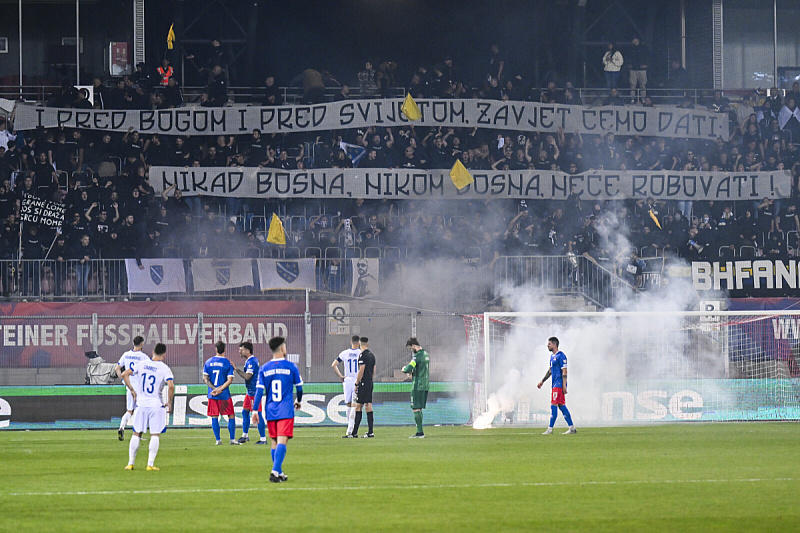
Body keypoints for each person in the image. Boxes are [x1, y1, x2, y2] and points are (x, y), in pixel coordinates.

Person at [251, 336, 303, 483]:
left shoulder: (264, 368)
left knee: (274, 441)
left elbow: (259, 392)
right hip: (285, 409)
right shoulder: (291, 367)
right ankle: (274, 471)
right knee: (282, 440)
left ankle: (279, 472)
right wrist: (298, 400)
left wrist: (255, 411)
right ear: (282, 348)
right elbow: (299, 388)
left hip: (270, 410)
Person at [122, 342, 174, 471]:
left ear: (153, 352)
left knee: (136, 433)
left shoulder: (142, 364)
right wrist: (169, 402)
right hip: (156, 404)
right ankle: (150, 464)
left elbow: (124, 374)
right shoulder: (164, 368)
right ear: (164, 354)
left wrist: (132, 390)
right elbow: (171, 385)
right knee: (155, 435)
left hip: (141, 404)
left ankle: (130, 463)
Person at [537, 336, 576, 435]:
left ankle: (550, 429)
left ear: (554, 345)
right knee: (561, 406)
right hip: (554, 384)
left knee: (554, 405)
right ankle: (572, 428)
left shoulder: (561, 356)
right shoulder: (552, 357)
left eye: (549, 344)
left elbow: (565, 370)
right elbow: (550, 370)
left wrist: (564, 385)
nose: (547, 346)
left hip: (558, 385)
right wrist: (542, 381)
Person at [202, 340, 238, 445]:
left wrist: (214, 389)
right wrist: (220, 389)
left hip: (212, 395)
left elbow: (206, 379)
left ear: (216, 349)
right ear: (225, 350)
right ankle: (232, 439)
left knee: (214, 416)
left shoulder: (208, 362)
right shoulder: (228, 363)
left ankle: (218, 440)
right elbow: (230, 380)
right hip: (224, 395)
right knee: (231, 415)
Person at [114, 335, 150, 441]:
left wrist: (123, 380)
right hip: (139, 387)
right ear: (142, 344)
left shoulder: (126, 355)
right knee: (141, 411)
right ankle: (138, 435)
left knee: (129, 411)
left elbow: (117, 368)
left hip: (129, 386)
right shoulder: (143, 357)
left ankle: (121, 427)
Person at [235, 341, 266, 444]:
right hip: (250, 392)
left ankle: (263, 439)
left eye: (241, 349)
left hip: (254, 392)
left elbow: (248, 376)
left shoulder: (252, 361)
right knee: (245, 412)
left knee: (258, 414)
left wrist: (236, 369)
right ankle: (245, 435)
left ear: (247, 351)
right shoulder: (250, 360)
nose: (239, 351)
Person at [332, 335, 362, 437]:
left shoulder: (344, 353)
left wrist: (341, 376)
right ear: (358, 343)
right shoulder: (360, 353)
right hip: (356, 380)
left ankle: (349, 427)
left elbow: (333, 365)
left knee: (348, 405)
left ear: (351, 342)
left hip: (347, 380)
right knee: (354, 404)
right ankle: (350, 429)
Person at [402, 337, 430, 438]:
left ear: (414, 346)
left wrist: (404, 369)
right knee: (419, 408)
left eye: (410, 348)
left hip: (418, 385)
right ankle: (420, 431)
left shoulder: (417, 356)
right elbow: (420, 369)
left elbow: (408, 368)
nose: (411, 350)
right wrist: (413, 374)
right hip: (425, 385)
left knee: (415, 408)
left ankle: (420, 432)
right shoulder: (426, 355)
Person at [352, 336, 377, 438]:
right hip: (370, 382)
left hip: (363, 383)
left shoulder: (362, 356)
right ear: (368, 344)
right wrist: (370, 380)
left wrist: (357, 384)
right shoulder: (372, 355)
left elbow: (361, 370)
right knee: (368, 405)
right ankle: (370, 431)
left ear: (359, 344)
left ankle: (354, 433)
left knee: (359, 406)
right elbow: (374, 371)